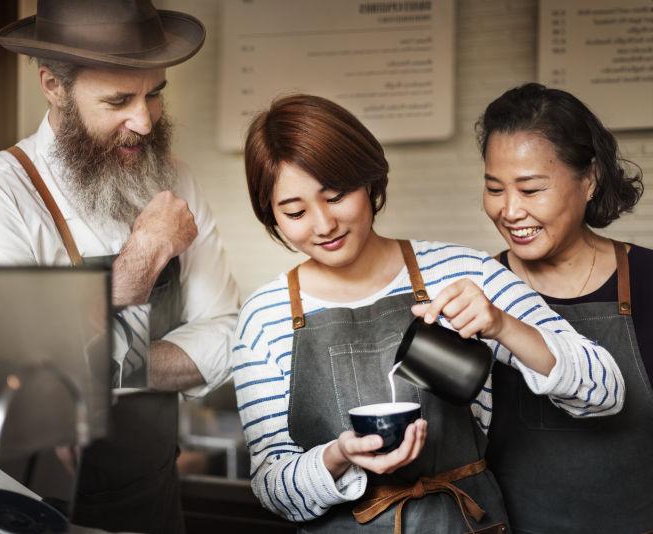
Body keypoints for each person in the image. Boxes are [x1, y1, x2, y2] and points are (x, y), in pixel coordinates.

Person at [233, 94, 625, 533]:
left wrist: (502, 325)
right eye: (295, 211)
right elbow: (270, 485)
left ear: (370, 181)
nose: (323, 225)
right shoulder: (266, 316)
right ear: (272, 215)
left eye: (337, 195)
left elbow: (604, 392)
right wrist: (337, 458)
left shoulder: (462, 272)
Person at [0, 1, 239, 532]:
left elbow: (226, 333)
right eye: (118, 100)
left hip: (155, 494)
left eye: (154, 93)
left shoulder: (176, 179)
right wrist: (143, 256)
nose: (145, 121)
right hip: (36, 508)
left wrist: (98, 366)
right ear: (53, 86)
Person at [477, 82, 652, 533]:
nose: (510, 211)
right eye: (495, 188)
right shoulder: (479, 293)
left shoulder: (648, 280)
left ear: (589, 180)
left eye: (531, 189)